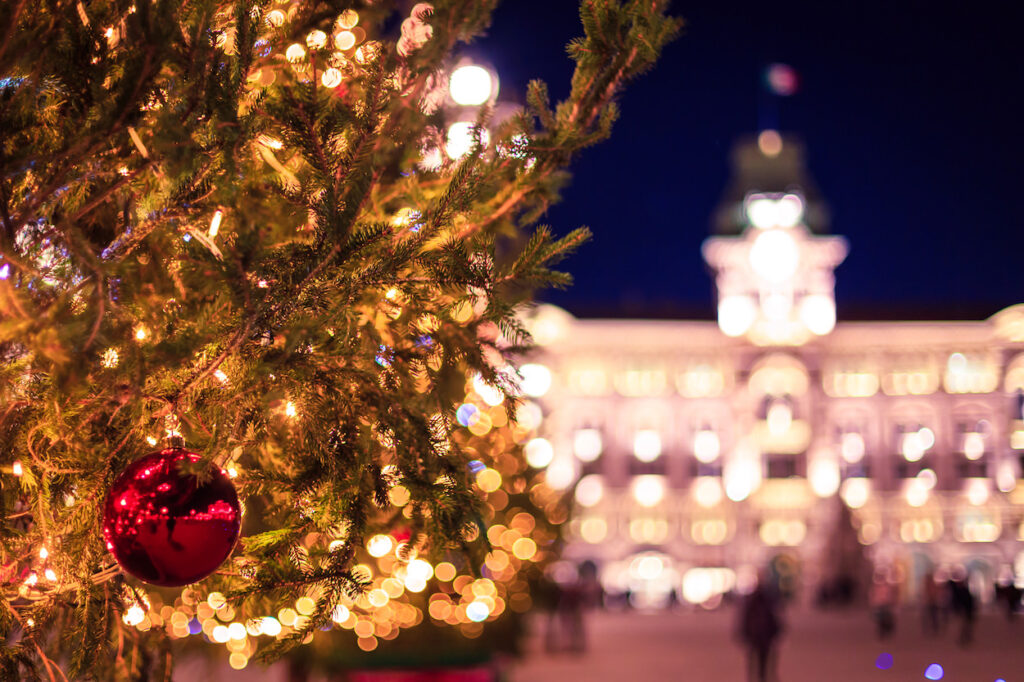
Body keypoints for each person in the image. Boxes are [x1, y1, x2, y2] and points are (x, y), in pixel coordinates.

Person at [738, 570, 783, 682]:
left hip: (762, 634)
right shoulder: (763, 599)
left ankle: (760, 677)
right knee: (760, 658)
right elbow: (746, 617)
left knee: (760, 658)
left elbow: (774, 617)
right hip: (759, 634)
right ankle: (760, 677)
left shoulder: (764, 599)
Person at [869, 570, 898, 639]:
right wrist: (872, 603)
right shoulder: (875, 587)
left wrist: (892, 602)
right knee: (880, 620)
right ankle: (882, 633)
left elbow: (891, 595)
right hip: (879, 604)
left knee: (886, 618)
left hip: (885, 604)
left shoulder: (887, 587)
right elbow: (872, 595)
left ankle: (886, 630)